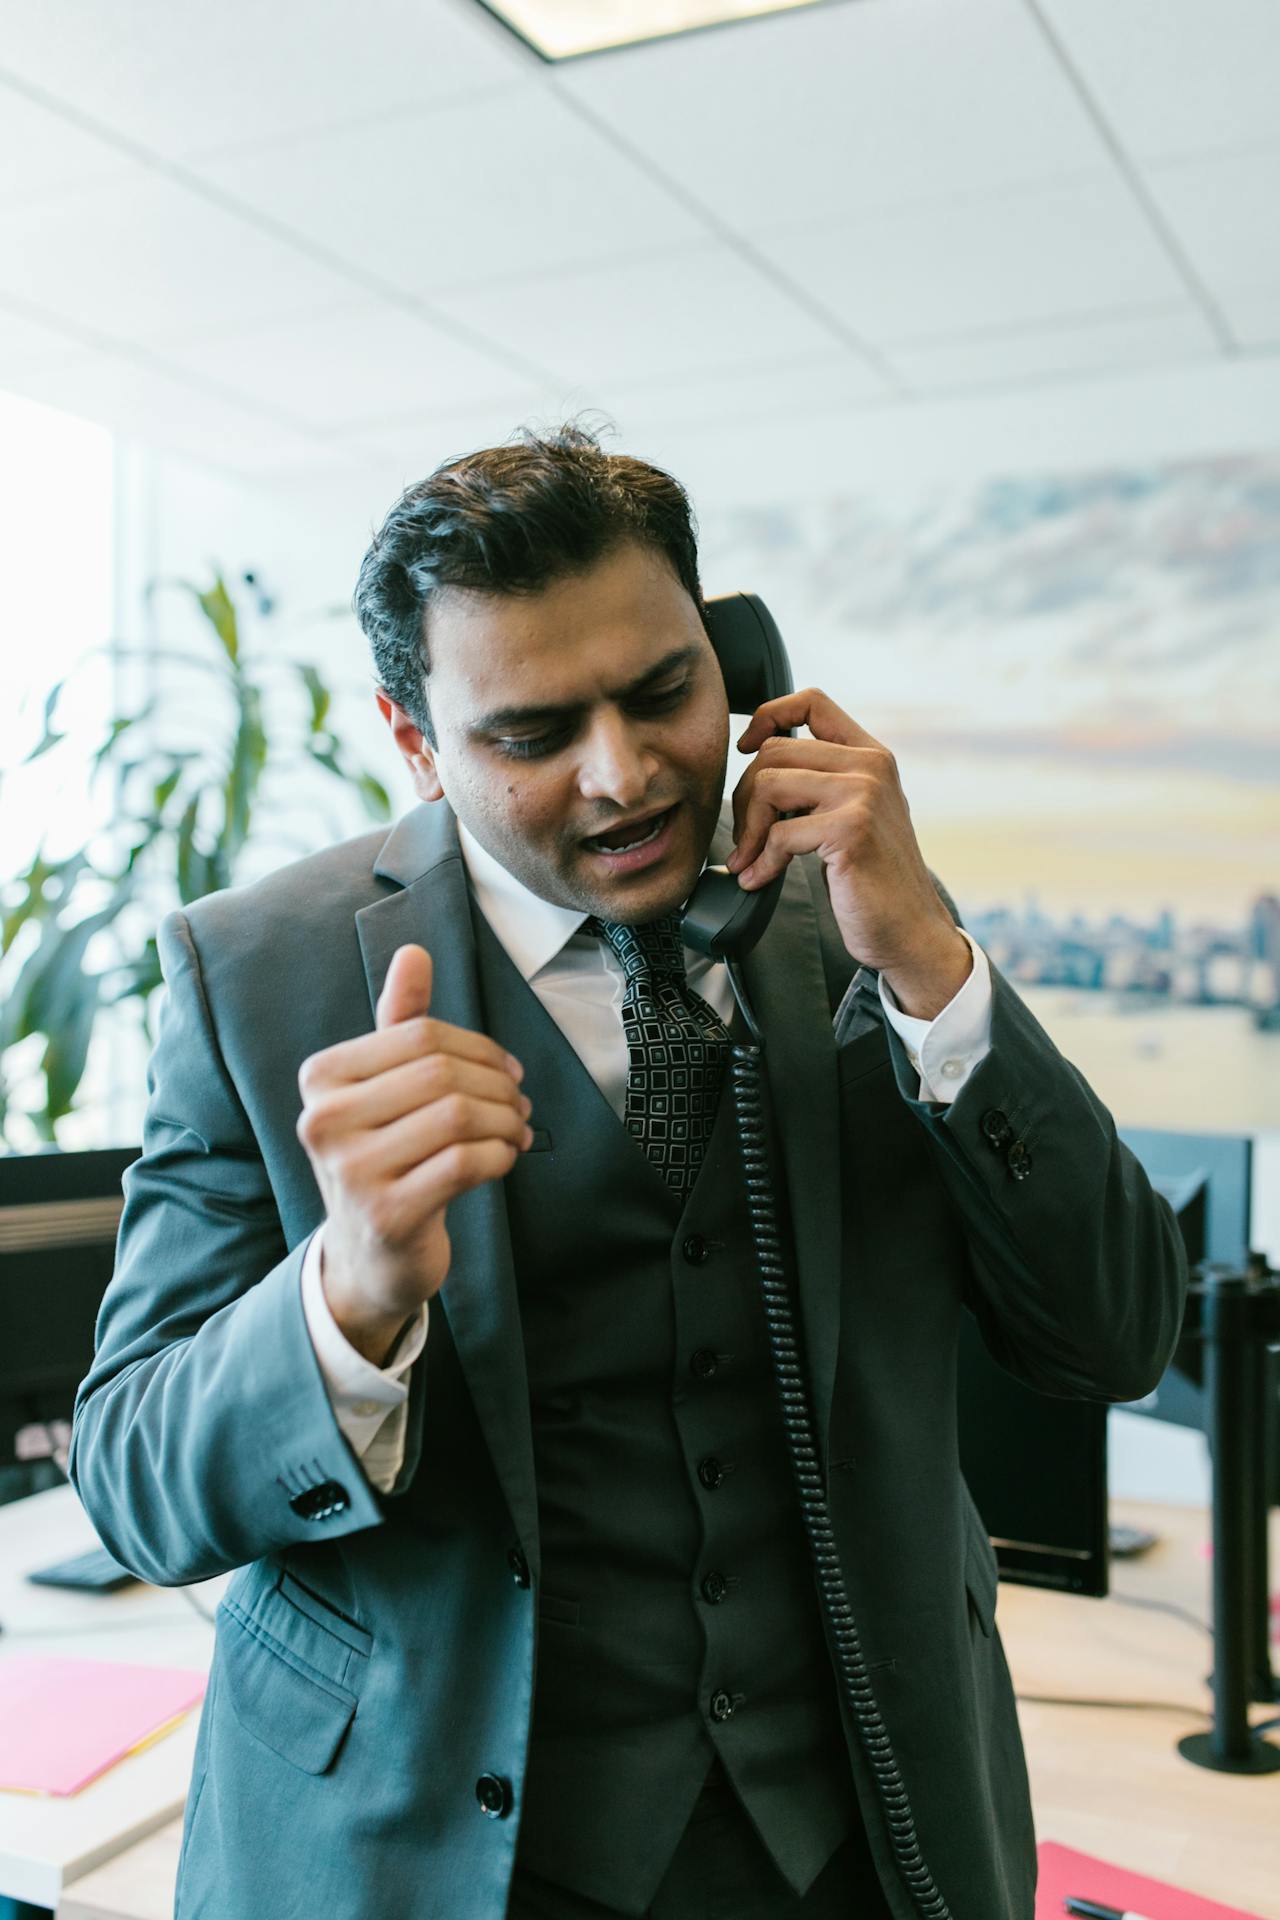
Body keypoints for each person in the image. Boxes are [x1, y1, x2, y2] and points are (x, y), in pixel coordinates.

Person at [70, 424, 1187, 1920]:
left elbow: (1118, 1332)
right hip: (431, 1856)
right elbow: (135, 1484)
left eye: (664, 692)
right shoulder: (258, 976)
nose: (623, 776)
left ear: (734, 659)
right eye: (532, 735)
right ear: (416, 741)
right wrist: (348, 1296)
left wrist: (934, 966)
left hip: (857, 1839)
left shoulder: (863, 915)